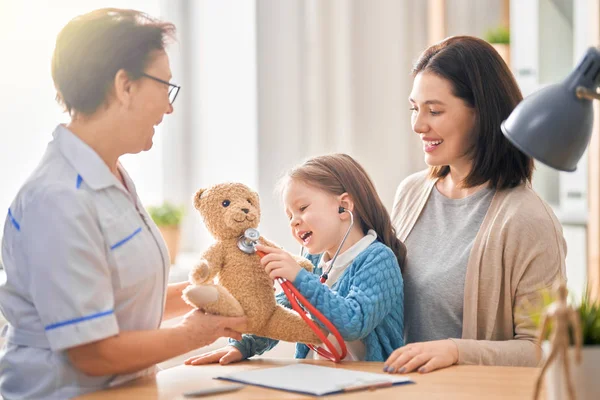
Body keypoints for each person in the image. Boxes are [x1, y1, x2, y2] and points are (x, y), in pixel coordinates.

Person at [0, 9, 245, 399]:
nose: (169, 107)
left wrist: (225, 290)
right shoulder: (57, 199)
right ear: (124, 85)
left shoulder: (111, 177)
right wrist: (197, 333)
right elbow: (92, 352)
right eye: (165, 86)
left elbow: (126, 302)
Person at [384, 36, 567, 375]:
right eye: (414, 108)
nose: (418, 124)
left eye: (434, 110)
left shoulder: (528, 219)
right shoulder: (411, 192)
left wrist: (456, 351)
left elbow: (543, 349)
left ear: (481, 113)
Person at [185, 153, 405, 365]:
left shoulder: (378, 260)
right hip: (316, 378)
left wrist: (299, 277)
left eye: (302, 208)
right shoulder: (312, 260)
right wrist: (241, 346)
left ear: (344, 206)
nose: (293, 222)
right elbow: (277, 313)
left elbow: (353, 323)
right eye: (289, 215)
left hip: (369, 384)